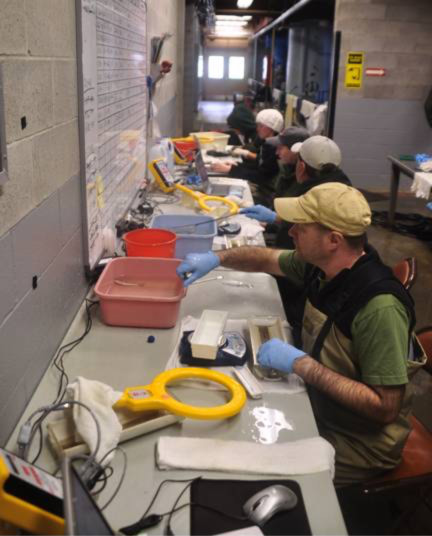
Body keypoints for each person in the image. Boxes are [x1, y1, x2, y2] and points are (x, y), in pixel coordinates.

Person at [176, 183, 426, 486]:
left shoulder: (378, 308)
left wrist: (302, 365)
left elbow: (385, 408)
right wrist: (217, 258)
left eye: (301, 228)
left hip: (359, 442)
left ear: (333, 240)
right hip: (323, 405)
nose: (290, 231)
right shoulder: (322, 266)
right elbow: (264, 258)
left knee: (243, 465)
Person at [211, 109, 284, 197]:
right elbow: (258, 165)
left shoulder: (273, 148)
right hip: (261, 185)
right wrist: (235, 165)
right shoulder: (266, 143)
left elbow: (261, 176)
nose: (257, 129)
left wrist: (231, 169)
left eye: (261, 126)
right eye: (258, 125)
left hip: (265, 192)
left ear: (271, 127)